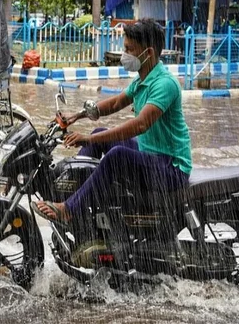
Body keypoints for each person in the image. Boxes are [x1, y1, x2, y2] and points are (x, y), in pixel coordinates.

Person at [31, 18, 192, 223]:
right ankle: (74, 192)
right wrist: (77, 116)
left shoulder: (164, 84)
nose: (124, 55)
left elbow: (140, 124)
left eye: (129, 49)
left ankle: (70, 209)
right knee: (99, 133)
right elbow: (116, 103)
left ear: (148, 53)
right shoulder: (143, 79)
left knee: (116, 155)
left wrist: (88, 140)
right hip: (149, 154)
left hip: (171, 168)